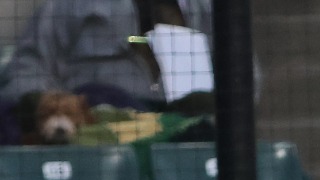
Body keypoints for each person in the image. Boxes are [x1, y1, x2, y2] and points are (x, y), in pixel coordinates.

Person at [0, 0, 215, 118]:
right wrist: (56, 108)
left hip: (191, 139)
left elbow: (244, 82)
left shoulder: (210, 9)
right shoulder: (68, 6)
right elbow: (25, 74)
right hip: (97, 143)